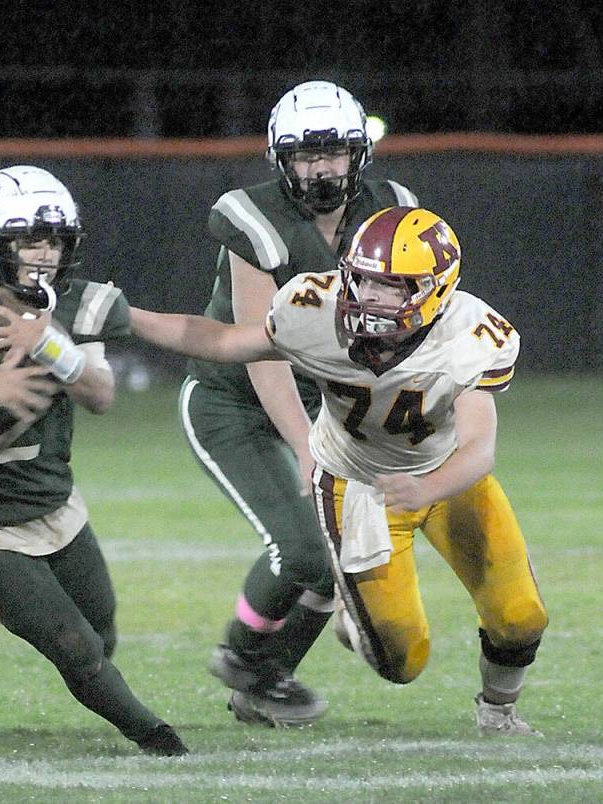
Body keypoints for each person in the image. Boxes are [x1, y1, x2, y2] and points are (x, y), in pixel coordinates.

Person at [128, 206, 548, 735]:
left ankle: (498, 712)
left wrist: (426, 489)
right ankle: (359, 616)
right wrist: (127, 317)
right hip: (356, 486)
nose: (368, 296)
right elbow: (222, 342)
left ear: (434, 290)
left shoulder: (470, 334)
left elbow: (479, 451)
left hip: (446, 478)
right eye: (362, 280)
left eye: (389, 287)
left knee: (520, 614)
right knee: (402, 660)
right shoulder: (315, 310)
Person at [0, 164, 188, 756]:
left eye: (56, 241)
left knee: (101, 637)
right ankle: (159, 740)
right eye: (30, 240)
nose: (45, 254)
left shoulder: (81, 307)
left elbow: (101, 396)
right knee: (77, 650)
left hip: (56, 509)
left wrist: (51, 344)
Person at [172, 80, 420, 726]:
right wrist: (309, 446)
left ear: (358, 155)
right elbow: (263, 350)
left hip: (326, 402)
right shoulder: (252, 218)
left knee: (344, 559)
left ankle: (260, 686)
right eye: (306, 155)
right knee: (304, 550)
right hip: (232, 402)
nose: (321, 168)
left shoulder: (392, 212)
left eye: (333, 152)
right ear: (280, 160)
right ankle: (243, 654)